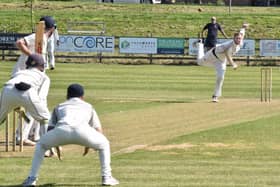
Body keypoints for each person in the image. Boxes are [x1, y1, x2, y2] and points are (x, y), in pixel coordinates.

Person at [22, 83, 119, 186]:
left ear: (67, 96)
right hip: (83, 131)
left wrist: (55, 146)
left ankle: (32, 179)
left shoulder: (59, 107)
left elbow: (50, 130)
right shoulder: (89, 106)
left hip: (61, 130)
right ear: (82, 97)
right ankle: (107, 177)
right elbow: (98, 129)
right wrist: (90, 144)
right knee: (104, 144)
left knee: (40, 145)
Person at [12, 16, 56, 145]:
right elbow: (20, 42)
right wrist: (33, 57)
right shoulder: (39, 36)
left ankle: (33, 134)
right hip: (23, 77)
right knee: (34, 105)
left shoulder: (44, 39)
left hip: (34, 78)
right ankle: (21, 137)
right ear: (53, 29)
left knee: (41, 103)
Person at [197, 23, 249, 103]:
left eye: (239, 38)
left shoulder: (240, 41)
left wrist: (243, 27)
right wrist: (233, 64)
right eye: (237, 38)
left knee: (220, 77)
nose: (238, 40)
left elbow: (242, 32)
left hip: (221, 61)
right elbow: (227, 55)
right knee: (199, 62)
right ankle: (200, 44)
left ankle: (215, 96)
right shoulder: (230, 45)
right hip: (212, 54)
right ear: (233, 38)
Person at [0, 54, 50, 134]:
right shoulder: (44, 77)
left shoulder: (19, 73)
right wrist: (36, 109)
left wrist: (16, 105)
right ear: (41, 65)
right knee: (45, 118)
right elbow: (42, 97)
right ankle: (47, 144)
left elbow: (14, 90)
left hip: (7, 89)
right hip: (27, 92)